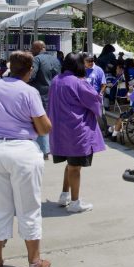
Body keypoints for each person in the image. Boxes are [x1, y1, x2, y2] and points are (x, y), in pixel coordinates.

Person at [0, 51, 52, 267]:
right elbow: (44, 127)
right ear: (30, 70)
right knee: (29, 207)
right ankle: (34, 262)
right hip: (23, 152)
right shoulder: (30, 91)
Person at [48, 52, 106, 213]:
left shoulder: (56, 80)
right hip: (76, 130)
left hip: (60, 129)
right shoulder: (78, 82)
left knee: (70, 164)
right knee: (75, 167)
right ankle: (75, 202)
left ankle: (64, 195)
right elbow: (95, 100)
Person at [29, 40, 61, 158]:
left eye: (33, 48)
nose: (31, 50)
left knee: (40, 120)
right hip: (55, 95)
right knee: (52, 120)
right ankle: (53, 146)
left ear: (39, 47)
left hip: (40, 95)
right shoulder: (55, 60)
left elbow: (31, 75)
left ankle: (44, 150)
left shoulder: (36, 59)